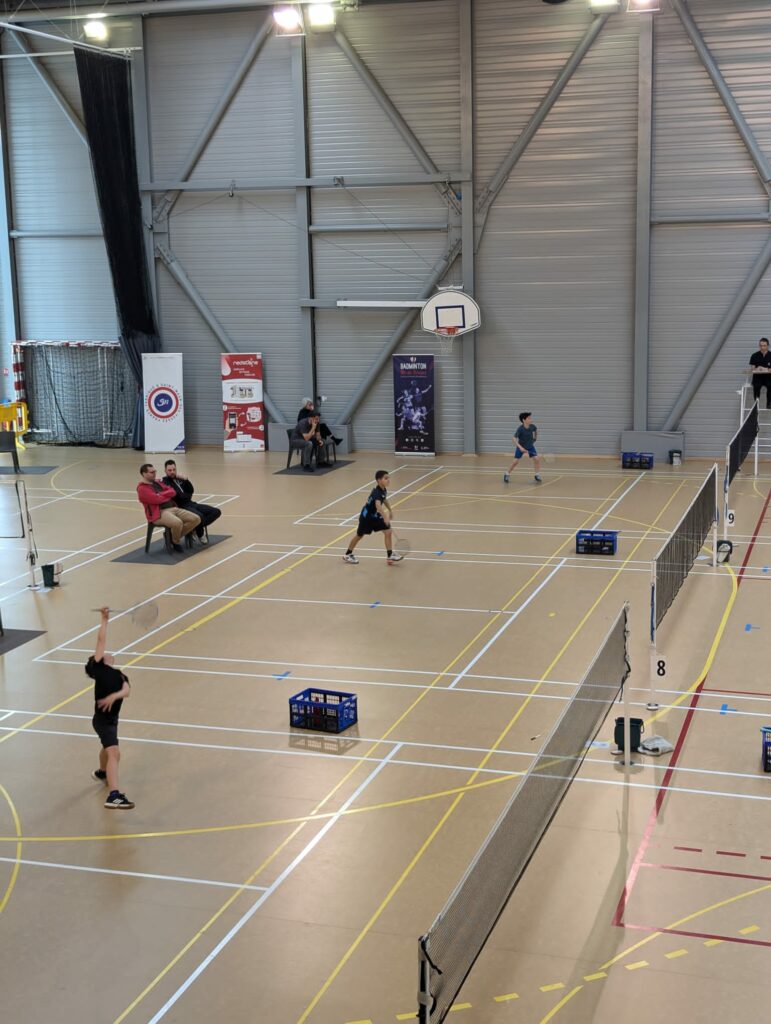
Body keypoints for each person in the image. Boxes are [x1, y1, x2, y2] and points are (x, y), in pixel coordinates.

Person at [86, 608, 134, 809]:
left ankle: (102, 772)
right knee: (114, 753)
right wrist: (104, 620)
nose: (104, 653)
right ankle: (114, 795)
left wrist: (114, 696)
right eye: (99, 654)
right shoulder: (98, 669)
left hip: (111, 721)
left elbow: (127, 691)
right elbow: (101, 641)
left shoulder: (120, 675)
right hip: (103, 721)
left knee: (109, 751)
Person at [342, 470, 403, 565]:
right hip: (366, 517)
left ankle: (390, 555)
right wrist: (385, 517)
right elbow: (378, 505)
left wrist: (390, 510)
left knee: (388, 531)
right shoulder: (377, 492)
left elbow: (384, 499)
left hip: (374, 515)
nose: (388, 480)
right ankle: (348, 554)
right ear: (379, 480)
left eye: (388, 478)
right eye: (386, 478)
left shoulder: (383, 490)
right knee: (359, 535)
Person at [136, 463, 200, 551]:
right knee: (177, 523)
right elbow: (156, 500)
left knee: (196, 519)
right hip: (159, 513)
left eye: (155, 471)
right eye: (151, 472)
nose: (154, 473)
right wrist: (165, 495)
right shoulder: (142, 489)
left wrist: (160, 494)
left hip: (173, 508)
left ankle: (170, 537)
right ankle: (175, 541)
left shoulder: (158, 482)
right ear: (144, 474)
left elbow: (173, 492)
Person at [162, 460, 221, 541]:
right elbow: (178, 495)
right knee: (200, 516)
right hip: (181, 507)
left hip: (191, 503)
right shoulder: (165, 482)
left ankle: (194, 528)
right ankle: (200, 533)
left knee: (216, 511)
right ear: (165, 471)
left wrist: (186, 480)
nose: (172, 472)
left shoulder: (180, 478)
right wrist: (186, 495)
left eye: (174, 469)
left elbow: (191, 490)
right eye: (169, 470)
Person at [504, 412, 542, 484]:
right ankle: (507, 474)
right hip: (521, 447)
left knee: (537, 459)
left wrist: (535, 438)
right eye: (529, 418)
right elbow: (514, 439)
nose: (531, 419)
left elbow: (535, 430)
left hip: (530, 446)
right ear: (524, 420)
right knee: (515, 462)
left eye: (530, 418)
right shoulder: (520, 429)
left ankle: (537, 475)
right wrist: (520, 448)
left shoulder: (532, 426)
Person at [748, 337, 771, 408]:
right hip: (757, 377)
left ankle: (769, 404)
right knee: (756, 386)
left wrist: (765, 369)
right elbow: (752, 369)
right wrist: (757, 369)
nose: (762, 347)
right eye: (761, 346)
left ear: (768, 346)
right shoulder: (754, 355)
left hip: (769, 377)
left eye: (764, 345)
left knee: (770, 386)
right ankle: (756, 404)